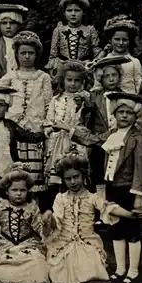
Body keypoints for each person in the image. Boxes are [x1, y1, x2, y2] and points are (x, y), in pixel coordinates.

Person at [55, 92, 142, 283]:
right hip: (112, 187)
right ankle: (119, 268)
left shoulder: (138, 139)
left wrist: (138, 196)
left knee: (132, 229)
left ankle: (133, 269)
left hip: (129, 189)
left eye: (129, 113)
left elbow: (140, 170)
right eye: (120, 112)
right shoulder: (111, 134)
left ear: (135, 116)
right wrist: (69, 128)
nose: (124, 116)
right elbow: (91, 139)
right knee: (115, 227)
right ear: (115, 115)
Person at [41, 146, 142, 283]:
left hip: (87, 241)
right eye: (68, 179)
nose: (72, 182)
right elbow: (57, 220)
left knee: (88, 266)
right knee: (63, 267)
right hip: (64, 241)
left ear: (84, 176)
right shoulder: (60, 198)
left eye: (76, 177)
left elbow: (108, 207)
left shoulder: (91, 197)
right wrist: (49, 218)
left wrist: (129, 214)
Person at [0, 83, 48, 267]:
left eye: (1, 105)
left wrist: (47, 131)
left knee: (12, 209)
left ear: (7, 107)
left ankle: (12, 248)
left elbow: (29, 136)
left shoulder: (10, 125)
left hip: (10, 176)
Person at [0, 31, 53, 203]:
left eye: (31, 53)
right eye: (23, 53)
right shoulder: (11, 76)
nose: (27, 57)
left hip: (36, 131)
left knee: (35, 174)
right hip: (15, 129)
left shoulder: (43, 77)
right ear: (16, 54)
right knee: (16, 171)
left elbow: (49, 105)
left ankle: (34, 210)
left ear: (37, 54)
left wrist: (46, 127)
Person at [0, 164, 50, 283]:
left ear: (27, 191)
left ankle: (23, 273)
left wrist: (45, 224)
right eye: (15, 190)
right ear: (7, 191)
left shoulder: (32, 208)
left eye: (22, 190)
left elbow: (40, 229)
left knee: (36, 261)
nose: (19, 193)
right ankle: (10, 273)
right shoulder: (1, 206)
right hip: (4, 245)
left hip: (26, 244)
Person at [81, 55, 130, 197]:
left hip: (119, 141)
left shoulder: (125, 96)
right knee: (99, 173)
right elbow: (86, 118)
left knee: (116, 172)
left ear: (119, 76)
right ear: (100, 78)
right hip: (99, 142)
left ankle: (115, 203)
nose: (111, 79)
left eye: (114, 75)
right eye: (106, 76)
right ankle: (101, 205)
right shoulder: (94, 96)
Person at [44, 60, 90, 191]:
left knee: (77, 173)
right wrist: (50, 130)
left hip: (78, 141)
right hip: (59, 142)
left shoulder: (86, 98)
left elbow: (87, 120)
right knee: (61, 177)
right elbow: (49, 121)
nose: (73, 84)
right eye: (69, 80)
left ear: (82, 82)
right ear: (63, 80)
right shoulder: (56, 99)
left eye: (77, 80)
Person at [45, 0, 102, 81]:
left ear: (83, 12)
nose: (73, 14)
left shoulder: (90, 30)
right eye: (69, 10)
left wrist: (93, 64)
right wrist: (55, 66)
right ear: (64, 12)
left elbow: (97, 54)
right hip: (63, 69)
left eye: (77, 10)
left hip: (84, 68)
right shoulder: (59, 30)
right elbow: (53, 56)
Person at [102, 15, 142, 94]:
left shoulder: (134, 62)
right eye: (117, 39)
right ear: (110, 40)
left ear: (129, 41)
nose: (120, 43)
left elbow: (138, 84)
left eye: (124, 40)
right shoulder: (105, 61)